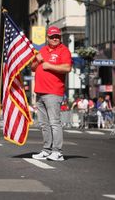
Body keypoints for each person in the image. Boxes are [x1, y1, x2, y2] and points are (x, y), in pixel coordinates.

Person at [31, 26, 72, 161]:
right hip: (40, 92)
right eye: (52, 36)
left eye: (57, 37)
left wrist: (49, 65)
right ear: (47, 38)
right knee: (44, 124)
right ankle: (46, 150)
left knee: (54, 122)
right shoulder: (42, 50)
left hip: (53, 92)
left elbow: (67, 68)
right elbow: (32, 68)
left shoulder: (63, 50)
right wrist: (37, 59)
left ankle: (57, 152)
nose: (55, 39)